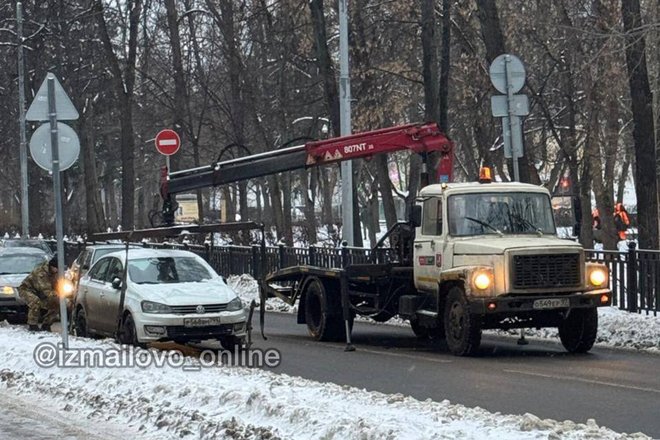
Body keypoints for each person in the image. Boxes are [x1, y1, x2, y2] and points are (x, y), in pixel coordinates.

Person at [18, 254, 60, 332]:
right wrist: (58, 295)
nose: (57, 270)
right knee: (35, 301)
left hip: (42, 292)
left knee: (57, 303)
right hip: (27, 290)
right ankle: (32, 325)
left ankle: (46, 324)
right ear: (52, 266)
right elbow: (46, 290)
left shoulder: (56, 273)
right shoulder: (41, 273)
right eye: (56, 268)